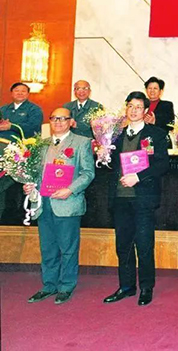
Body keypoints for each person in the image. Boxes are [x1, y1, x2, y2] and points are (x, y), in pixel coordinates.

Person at [103, 91, 170, 307]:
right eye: (130, 106)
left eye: (138, 107)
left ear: (145, 111)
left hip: (143, 198)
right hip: (120, 198)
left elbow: (162, 164)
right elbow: (112, 165)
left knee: (144, 244)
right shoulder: (115, 135)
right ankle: (126, 286)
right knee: (123, 244)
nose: (133, 110)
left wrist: (138, 177)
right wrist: (103, 155)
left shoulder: (156, 134)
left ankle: (146, 287)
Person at [24, 107, 95, 305]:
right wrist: (29, 185)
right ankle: (49, 285)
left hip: (67, 203)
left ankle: (66, 286)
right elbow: (34, 173)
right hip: (43, 203)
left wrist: (70, 190)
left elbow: (88, 173)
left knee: (68, 248)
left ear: (71, 122)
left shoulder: (81, 142)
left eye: (63, 119)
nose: (58, 122)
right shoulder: (41, 144)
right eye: (54, 118)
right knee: (47, 248)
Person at [143, 76, 175, 148]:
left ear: (161, 91)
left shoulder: (167, 105)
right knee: (146, 155)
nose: (152, 91)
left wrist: (155, 121)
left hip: (161, 142)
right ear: (146, 90)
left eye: (155, 88)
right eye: (150, 88)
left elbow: (171, 125)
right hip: (145, 141)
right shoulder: (141, 105)